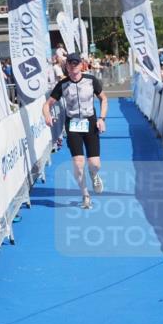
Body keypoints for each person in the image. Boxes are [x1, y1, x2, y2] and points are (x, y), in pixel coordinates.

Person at [43, 53, 107, 209]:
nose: (73, 66)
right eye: (70, 63)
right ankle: (85, 195)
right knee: (78, 164)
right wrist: (47, 116)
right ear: (67, 66)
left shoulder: (91, 81)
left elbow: (103, 99)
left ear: (81, 65)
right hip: (72, 125)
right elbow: (47, 105)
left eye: (76, 63)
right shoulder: (62, 85)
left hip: (90, 123)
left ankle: (94, 174)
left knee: (94, 164)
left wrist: (102, 118)